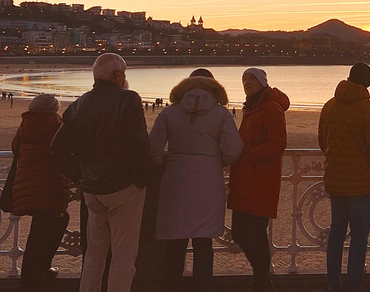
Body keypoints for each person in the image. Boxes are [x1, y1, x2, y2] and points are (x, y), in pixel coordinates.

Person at [51, 53, 152, 292]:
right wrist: (140, 179)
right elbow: (139, 143)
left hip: (92, 191)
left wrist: (82, 176)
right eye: (124, 73)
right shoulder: (128, 99)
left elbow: (57, 149)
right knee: (123, 255)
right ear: (118, 75)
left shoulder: (79, 104)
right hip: (123, 188)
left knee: (94, 254)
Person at [150, 71, 243, 292]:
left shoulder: (169, 113)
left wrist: (167, 160)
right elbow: (234, 149)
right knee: (204, 242)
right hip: (208, 180)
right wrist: (217, 161)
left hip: (175, 177)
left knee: (175, 242)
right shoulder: (221, 114)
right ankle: (203, 286)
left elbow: (153, 148)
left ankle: (171, 286)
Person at [318, 63, 370, 292]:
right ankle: (354, 286)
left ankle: (333, 284)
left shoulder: (329, 106)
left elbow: (322, 141)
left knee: (336, 235)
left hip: (335, 181)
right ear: (368, 82)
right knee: (358, 237)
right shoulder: (369, 110)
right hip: (361, 185)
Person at [227, 68, 289, 292]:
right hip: (245, 182)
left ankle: (262, 281)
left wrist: (247, 155)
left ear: (263, 82)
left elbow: (277, 144)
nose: (247, 82)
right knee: (240, 232)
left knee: (253, 234)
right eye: (244, 79)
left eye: (251, 79)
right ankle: (262, 279)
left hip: (260, 182)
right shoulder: (251, 108)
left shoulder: (271, 108)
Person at [12, 94, 71, 291]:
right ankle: (33, 278)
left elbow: (15, 148)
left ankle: (35, 275)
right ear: (53, 110)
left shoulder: (25, 125)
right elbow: (65, 150)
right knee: (50, 227)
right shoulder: (56, 124)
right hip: (50, 186)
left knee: (40, 231)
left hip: (27, 187)